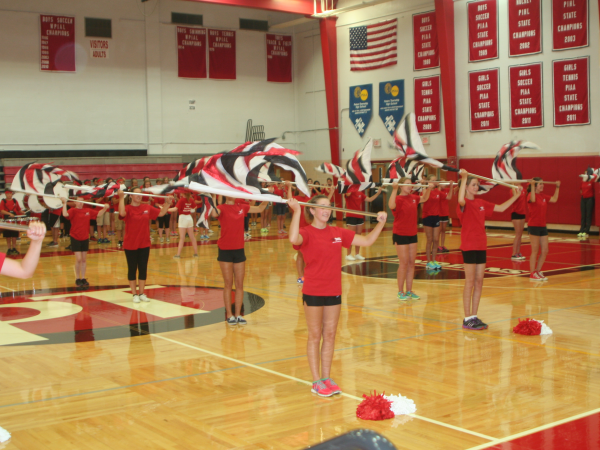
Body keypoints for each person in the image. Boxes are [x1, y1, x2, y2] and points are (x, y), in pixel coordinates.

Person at [288, 195, 387, 397]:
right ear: (313, 211)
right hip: (314, 291)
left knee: (330, 335)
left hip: (334, 291)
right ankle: (316, 381)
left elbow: (367, 241)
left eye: (329, 207)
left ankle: (326, 377)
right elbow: (293, 239)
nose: (327, 210)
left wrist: (380, 223)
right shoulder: (306, 233)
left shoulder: (338, 232)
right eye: (322, 207)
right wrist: (297, 212)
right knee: (315, 336)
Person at [457, 169, 521, 330]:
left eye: (477, 184)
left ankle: (474, 316)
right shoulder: (463, 203)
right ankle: (467, 318)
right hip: (469, 246)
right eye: (473, 184)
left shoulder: (481, 203)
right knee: (470, 282)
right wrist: (464, 178)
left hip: (481, 246)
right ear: (466, 187)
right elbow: (460, 199)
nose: (476, 186)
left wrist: (516, 196)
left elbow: (500, 208)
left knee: (479, 282)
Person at [211, 196, 267, 325]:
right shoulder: (221, 208)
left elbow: (260, 208)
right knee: (228, 284)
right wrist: (213, 196)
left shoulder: (242, 207)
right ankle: (229, 315)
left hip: (239, 249)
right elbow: (214, 213)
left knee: (240, 284)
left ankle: (238, 314)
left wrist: (267, 197)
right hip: (225, 249)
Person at [118, 189, 172, 303]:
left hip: (144, 243)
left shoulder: (146, 208)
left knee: (143, 268)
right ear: (131, 196)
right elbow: (122, 213)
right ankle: (134, 294)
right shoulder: (127, 208)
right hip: (130, 244)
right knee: (132, 269)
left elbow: (161, 213)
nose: (139, 196)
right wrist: (121, 198)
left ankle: (141, 293)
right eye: (136, 194)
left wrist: (167, 203)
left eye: (140, 194)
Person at [389, 179, 431, 300]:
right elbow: (391, 205)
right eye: (407, 184)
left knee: (412, 263)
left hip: (412, 234)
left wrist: (427, 187)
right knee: (404, 263)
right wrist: (394, 189)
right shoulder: (397, 199)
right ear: (401, 186)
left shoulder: (414, 197)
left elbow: (424, 199)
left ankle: (409, 291)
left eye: (410, 184)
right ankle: (400, 291)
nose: (410, 186)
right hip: (400, 234)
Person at [62, 197, 109, 288]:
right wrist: (64, 203)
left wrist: (105, 208)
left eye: (82, 201)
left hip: (84, 237)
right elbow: (65, 214)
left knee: (84, 259)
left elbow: (98, 214)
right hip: (75, 236)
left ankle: (83, 278)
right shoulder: (73, 210)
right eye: (78, 201)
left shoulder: (87, 210)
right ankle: (77, 278)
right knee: (78, 259)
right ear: (75, 202)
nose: (80, 203)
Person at [528, 178, 560, 281]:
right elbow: (532, 200)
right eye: (540, 184)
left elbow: (554, 199)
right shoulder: (530, 195)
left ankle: (537, 271)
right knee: (535, 250)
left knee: (545, 250)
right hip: (533, 226)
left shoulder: (543, 196)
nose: (543, 185)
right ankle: (532, 273)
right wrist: (532, 186)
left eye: (543, 183)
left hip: (542, 226)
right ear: (536, 186)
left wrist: (557, 187)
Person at [344, 186, 382, 260]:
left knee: (358, 235)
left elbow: (370, 199)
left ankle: (357, 254)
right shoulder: (349, 192)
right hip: (351, 216)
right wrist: (350, 185)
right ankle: (348, 254)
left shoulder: (360, 193)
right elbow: (347, 194)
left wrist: (378, 193)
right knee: (351, 235)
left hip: (359, 216)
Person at [421, 174, 448, 270]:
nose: (434, 182)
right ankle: (428, 262)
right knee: (430, 239)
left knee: (436, 239)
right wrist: (428, 187)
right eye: (432, 180)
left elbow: (447, 197)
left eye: (435, 180)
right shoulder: (425, 190)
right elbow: (425, 199)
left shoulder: (438, 191)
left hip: (436, 217)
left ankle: (434, 260)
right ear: (428, 182)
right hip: (427, 217)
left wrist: (452, 186)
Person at [170, 192, 199, 257]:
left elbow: (175, 209)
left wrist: (166, 210)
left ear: (183, 193)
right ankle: (196, 253)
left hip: (182, 218)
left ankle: (178, 254)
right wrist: (190, 209)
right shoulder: (191, 199)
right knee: (192, 237)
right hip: (189, 218)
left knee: (182, 238)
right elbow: (195, 207)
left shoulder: (181, 200)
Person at [0, 189, 23, 256]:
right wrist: (9, 214)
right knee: (8, 236)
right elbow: (1, 211)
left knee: (14, 235)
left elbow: (18, 209)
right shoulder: (3, 201)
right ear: (5, 194)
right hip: (7, 220)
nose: (9, 195)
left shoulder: (15, 201)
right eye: (8, 194)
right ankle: (9, 249)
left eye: (10, 194)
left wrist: (22, 212)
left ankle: (14, 248)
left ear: (12, 194)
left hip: (14, 220)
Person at [510, 183, 528, 260]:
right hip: (516, 213)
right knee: (517, 234)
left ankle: (518, 252)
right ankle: (514, 254)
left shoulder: (524, 190)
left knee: (520, 234)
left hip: (522, 213)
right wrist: (515, 188)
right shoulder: (512, 190)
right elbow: (515, 197)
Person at [437, 182, 454, 253]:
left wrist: (452, 185)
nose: (444, 185)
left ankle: (442, 245)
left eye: (445, 183)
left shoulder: (447, 190)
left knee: (443, 230)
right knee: (438, 231)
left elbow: (454, 190)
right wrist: (439, 187)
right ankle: (437, 245)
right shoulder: (438, 191)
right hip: (439, 213)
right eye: (443, 183)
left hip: (445, 213)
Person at [578, 174, 596, 238]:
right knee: (583, 214)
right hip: (583, 198)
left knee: (588, 214)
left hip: (590, 199)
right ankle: (581, 229)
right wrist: (583, 194)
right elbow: (580, 189)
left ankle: (587, 230)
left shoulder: (591, 181)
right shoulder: (582, 182)